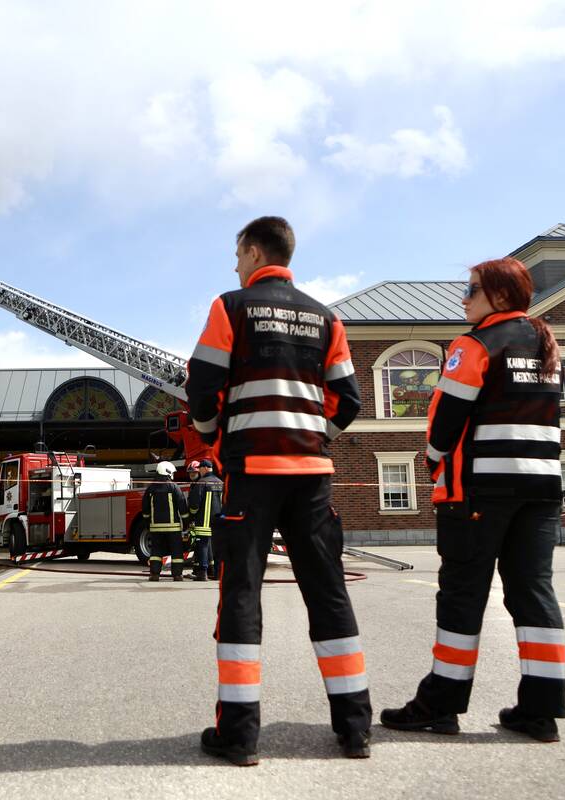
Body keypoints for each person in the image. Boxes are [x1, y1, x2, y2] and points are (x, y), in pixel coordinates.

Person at [186, 216, 370, 765]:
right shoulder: (326, 318)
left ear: (252, 251)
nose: (234, 267)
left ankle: (240, 735)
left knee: (242, 592)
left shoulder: (231, 307)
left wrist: (212, 437)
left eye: (237, 256)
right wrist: (313, 436)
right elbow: (349, 400)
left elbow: (202, 386)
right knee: (328, 592)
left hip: (252, 473)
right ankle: (354, 728)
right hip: (311, 476)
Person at [380, 256, 565, 743]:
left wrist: (433, 461)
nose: (463, 298)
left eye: (472, 289)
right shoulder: (545, 344)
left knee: (462, 597)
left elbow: (445, 418)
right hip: (541, 489)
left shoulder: (476, 344)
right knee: (533, 593)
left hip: (479, 490)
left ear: (500, 296)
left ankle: (440, 705)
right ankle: (541, 711)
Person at [141, 461, 189, 582]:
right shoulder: (174, 487)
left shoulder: (151, 488)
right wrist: (186, 523)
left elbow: (145, 509)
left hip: (156, 528)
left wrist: (148, 523)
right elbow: (182, 506)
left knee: (156, 552)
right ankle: (177, 575)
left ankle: (154, 574)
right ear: (168, 472)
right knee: (176, 552)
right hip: (173, 528)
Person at [186, 459, 222, 581]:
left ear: (205, 468)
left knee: (203, 546)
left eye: (200, 468)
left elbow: (194, 505)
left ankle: (202, 573)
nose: (199, 471)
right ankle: (218, 574)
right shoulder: (220, 482)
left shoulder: (201, 483)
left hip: (203, 523)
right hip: (218, 523)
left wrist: (192, 515)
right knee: (217, 548)